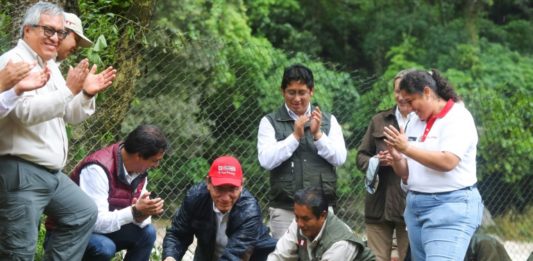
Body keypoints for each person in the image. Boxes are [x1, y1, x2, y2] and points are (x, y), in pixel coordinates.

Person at [0, 2, 116, 260]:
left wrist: (85, 93)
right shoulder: (13, 62)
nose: (55, 38)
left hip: (50, 174)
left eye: (60, 33)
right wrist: (68, 91)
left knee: (83, 212)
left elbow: (70, 114)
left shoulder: (50, 65)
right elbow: (24, 114)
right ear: (28, 29)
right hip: (21, 170)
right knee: (18, 252)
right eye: (48, 30)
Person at [383, 69, 483, 260]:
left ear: (427, 92)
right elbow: (406, 173)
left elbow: (448, 161)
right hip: (415, 207)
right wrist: (397, 156)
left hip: (450, 207)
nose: (409, 108)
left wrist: (406, 148)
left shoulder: (458, 118)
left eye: (411, 101)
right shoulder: (413, 121)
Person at [46, 124, 168, 260]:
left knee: (148, 233)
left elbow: (140, 221)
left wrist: (141, 215)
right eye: (154, 161)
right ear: (138, 155)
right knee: (104, 247)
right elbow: (94, 222)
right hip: (68, 233)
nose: (156, 165)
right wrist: (133, 212)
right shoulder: (97, 169)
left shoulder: (140, 172)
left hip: (103, 230)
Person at [257, 64, 347, 239]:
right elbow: (266, 160)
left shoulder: (329, 120)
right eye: (291, 92)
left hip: (321, 211)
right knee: (284, 257)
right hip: (285, 209)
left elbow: (340, 158)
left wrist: (318, 135)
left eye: (302, 92)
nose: (296, 98)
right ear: (282, 91)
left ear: (311, 91)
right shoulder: (269, 121)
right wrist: (294, 137)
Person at [162, 155, 277, 261]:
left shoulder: (249, 211)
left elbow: (234, 256)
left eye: (232, 189)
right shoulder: (195, 198)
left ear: (241, 185)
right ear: (208, 183)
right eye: (220, 189)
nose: (226, 198)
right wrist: (170, 257)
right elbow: (178, 234)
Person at [356, 69, 414, 261]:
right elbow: (361, 157)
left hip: (409, 207)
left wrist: (400, 160)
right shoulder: (379, 120)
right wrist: (376, 161)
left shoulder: (423, 122)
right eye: (397, 90)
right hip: (378, 206)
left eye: (405, 90)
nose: (401, 96)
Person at [267, 187, 375, 261]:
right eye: (296, 217)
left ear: (323, 216)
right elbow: (278, 257)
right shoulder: (299, 222)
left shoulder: (340, 244)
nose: (299, 223)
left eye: (306, 219)